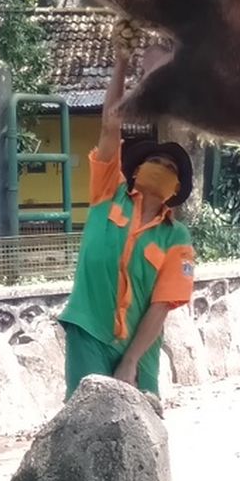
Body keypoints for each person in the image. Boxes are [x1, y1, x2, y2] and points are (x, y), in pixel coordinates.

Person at [58, 30, 196, 400]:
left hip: (140, 347)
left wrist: (131, 360)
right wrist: (121, 61)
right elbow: (110, 124)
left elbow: (161, 304)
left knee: (142, 430)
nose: (161, 166)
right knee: (85, 427)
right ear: (134, 170)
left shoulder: (176, 239)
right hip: (88, 331)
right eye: (155, 160)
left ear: (175, 189)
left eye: (170, 167)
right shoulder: (108, 193)